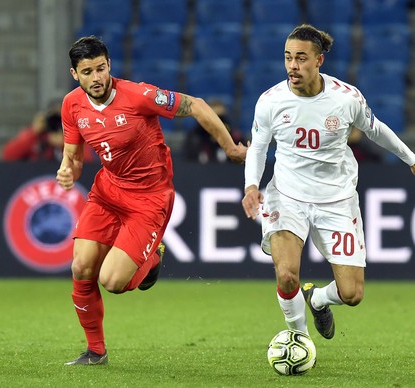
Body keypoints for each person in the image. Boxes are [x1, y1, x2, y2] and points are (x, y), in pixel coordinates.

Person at [56, 35, 247, 365]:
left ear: (109, 65)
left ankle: (153, 258)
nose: (96, 77)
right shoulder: (72, 104)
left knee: (113, 282)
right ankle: (95, 351)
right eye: (87, 72)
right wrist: (66, 170)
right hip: (107, 192)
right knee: (81, 267)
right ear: (75, 75)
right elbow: (73, 156)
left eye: (101, 68)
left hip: (149, 198)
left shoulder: (140, 95)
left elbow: (197, 105)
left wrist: (229, 147)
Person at [241, 24, 415, 341]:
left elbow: (376, 129)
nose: (293, 66)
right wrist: (251, 185)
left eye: (301, 58)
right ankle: (300, 337)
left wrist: (411, 158)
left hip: (337, 199)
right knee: (287, 273)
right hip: (287, 196)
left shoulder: (345, 99)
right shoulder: (270, 101)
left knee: (352, 293)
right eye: (288, 58)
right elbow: (258, 146)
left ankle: (319, 299)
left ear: (319, 61)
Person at [183, 98, 246, 163]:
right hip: (204, 154)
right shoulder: (199, 128)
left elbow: (229, 133)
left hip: (223, 155)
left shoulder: (226, 125)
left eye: (220, 116)